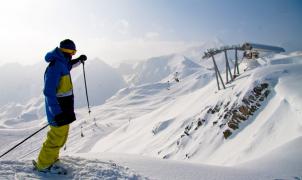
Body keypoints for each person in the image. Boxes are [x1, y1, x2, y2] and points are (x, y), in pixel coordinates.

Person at [33, 39, 87, 173]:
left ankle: (52, 159)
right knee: (56, 137)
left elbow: (70, 65)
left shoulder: (63, 63)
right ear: (67, 52)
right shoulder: (55, 66)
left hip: (64, 108)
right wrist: (57, 113)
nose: (73, 55)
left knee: (62, 136)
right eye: (73, 52)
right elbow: (49, 92)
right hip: (58, 110)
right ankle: (43, 165)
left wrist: (80, 60)